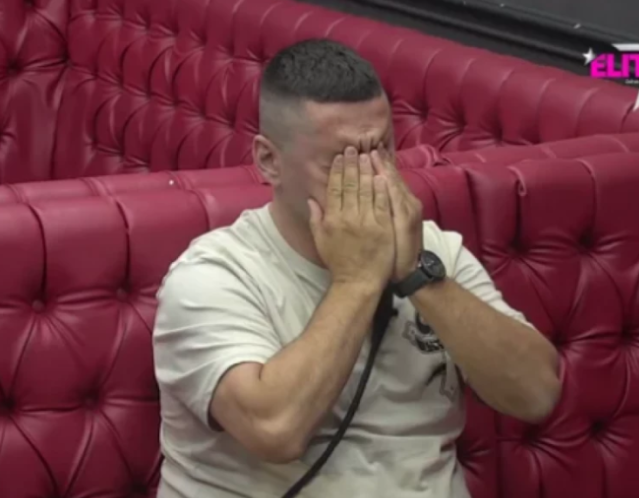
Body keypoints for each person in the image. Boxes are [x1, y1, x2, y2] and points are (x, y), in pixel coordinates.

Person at [153, 39, 561, 498]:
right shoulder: (211, 276)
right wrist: (357, 280)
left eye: (382, 151)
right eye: (342, 161)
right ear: (269, 161)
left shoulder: (433, 251)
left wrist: (419, 276)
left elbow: (537, 393)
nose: (372, 179)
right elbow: (275, 430)